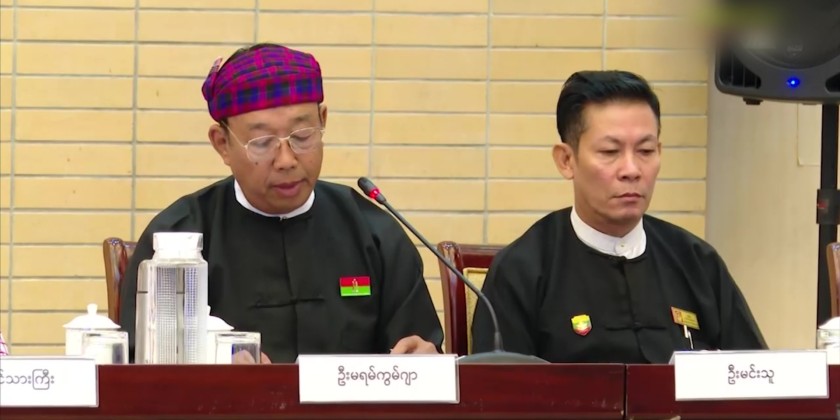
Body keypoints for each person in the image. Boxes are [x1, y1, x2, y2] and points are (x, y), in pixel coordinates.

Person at [119, 43, 442, 363]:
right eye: (262, 143)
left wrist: (427, 358)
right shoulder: (177, 242)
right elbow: (140, 368)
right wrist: (212, 372)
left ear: (323, 121)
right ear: (222, 144)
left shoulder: (373, 232)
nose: (286, 160)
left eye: (302, 137)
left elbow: (421, 352)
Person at [471, 70, 767, 363]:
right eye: (610, 151)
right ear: (566, 160)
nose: (631, 170)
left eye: (645, 151)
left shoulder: (697, 263)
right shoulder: (523, 270)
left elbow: (758, 376)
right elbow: (497, 388)